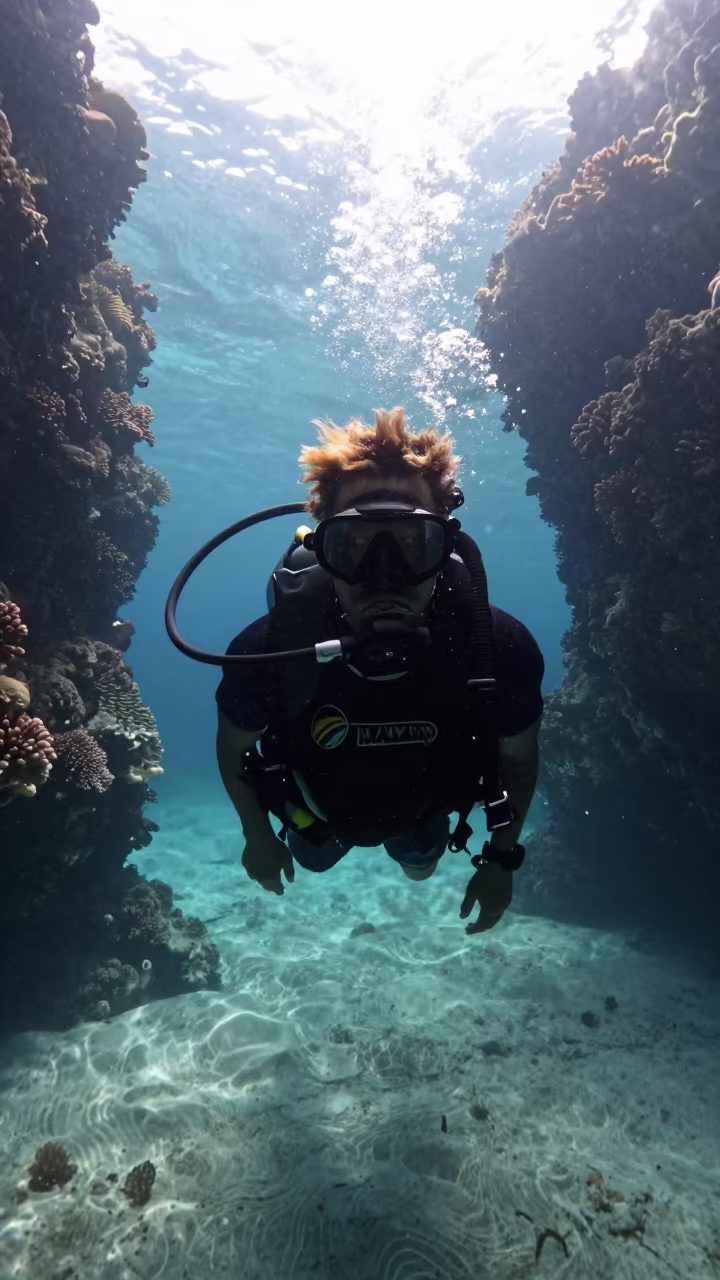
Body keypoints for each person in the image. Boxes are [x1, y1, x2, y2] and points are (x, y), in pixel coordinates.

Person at [216, 407, 544, 934]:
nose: (385, 577)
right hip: (317, 818)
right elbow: (234, 747)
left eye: (414, 543)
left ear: (447, 545)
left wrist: (502, 860)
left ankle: (413, 853)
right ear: (324, 547)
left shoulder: (498, 648)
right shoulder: (274, 648)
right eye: (356, 545)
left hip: (424, 814)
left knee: (420, 865)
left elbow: (520, 761)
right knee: (313, 858)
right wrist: (258, 835)